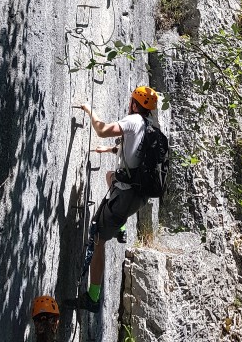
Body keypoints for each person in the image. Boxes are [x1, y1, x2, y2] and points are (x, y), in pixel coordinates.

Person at [64, 86, 160, 313]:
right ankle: (121, 226)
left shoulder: (133, 120)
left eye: (131, 101)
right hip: (138, 195)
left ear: (135, 104)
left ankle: (93, 298)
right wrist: (106, 151)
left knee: (98, 238)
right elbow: (131, 153)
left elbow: (102, 129)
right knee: (110, 177)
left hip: (126, 196)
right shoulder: (150, 127)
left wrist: (89, 109)